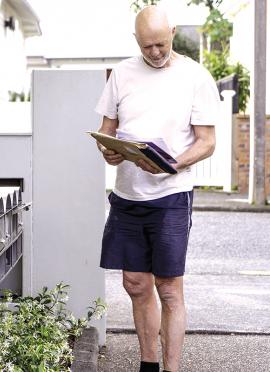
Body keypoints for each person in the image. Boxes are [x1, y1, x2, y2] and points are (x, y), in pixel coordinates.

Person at [94, 5, 220, 372]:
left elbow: (207, 141)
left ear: (173, 33)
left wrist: (171, 164)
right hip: (127, 196)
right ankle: (148, 363)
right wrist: (108, 150)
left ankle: (172, 368)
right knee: (135, 283)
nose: (155, 52)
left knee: (168, 287)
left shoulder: (195, 76)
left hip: (171, 197)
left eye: (161, 44)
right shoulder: (121, 74)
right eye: (147, 46)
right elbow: (106, 130)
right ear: (137, 41)